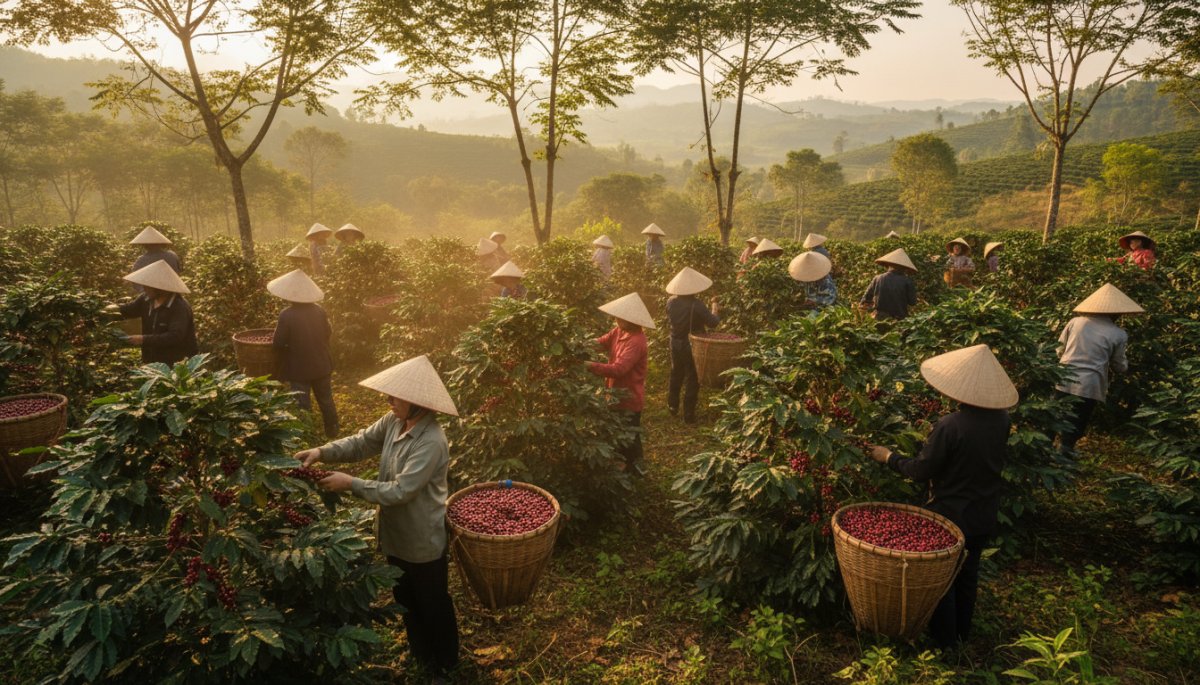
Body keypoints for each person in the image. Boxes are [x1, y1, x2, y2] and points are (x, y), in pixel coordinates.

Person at [295, 355, 460, 679]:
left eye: (395, 396)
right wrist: (322, 451)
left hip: (423, 540)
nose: (389, 401)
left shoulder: (432, 441)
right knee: (407, 600)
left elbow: (401, 491)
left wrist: (351, 483)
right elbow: (360, 442)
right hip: (396, 536)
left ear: (416, 402)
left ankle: (447, 662)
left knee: (433, 603)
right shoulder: (394, 422)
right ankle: (422, 655)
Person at [865, 344, 1018, 649]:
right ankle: (962, 635)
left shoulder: (951, 425)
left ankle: (944, 643)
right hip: (983, 511)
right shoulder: (1001, 420)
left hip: (952, 514)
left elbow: (922, 470)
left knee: (942, 580)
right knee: (968, 573)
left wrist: (888, 457)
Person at [1054, 283, 1142, 456]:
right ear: (1116, 313)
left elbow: (1059, 349)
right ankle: (1065, 450)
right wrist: (1125, 368)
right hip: (1090, 382)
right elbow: (1119, 364)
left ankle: (1042, 451)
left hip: (1064, 375)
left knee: (1054, 413)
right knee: (1078, 418)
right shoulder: (1118, 333)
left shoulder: (1075, 322)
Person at [588, 293, 654, 474]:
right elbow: (601, 342)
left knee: (630, 435)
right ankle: (626, 466)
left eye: (619, 316)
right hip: (615, 392)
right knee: (621, 432)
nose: (616, 319)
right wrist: (580, 345)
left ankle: (636, 469)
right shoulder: (619, 331)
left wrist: (590, 366)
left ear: (629, 319)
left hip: (629, 395)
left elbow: (619, 369)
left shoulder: (636, 341)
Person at [269, 269, 338, 439]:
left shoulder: (287, 314)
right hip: (321, 364)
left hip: (298, 368)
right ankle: (333, 430)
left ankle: (307, 435)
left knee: (302, 404)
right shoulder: (319, 311)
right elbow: (328, 332)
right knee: (326, 400)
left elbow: (277, 342)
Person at [115, 260, 199, 365]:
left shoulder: (179, 307)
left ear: (160, 288)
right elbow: (127, 311)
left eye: (148, 286)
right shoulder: (146, 299)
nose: (144, 289)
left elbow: (175, 336)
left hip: (178, 363)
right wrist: (104, 311)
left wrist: (143, 339)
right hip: (152, 359)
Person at [664, 267, 720, 423]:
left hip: (674, 341)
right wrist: (715, 307)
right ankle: (688, 415)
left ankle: (672, 405)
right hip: (692, 344)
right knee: (692, 377)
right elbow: (713, 323)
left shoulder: (671, 301)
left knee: (676, 372)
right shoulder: (697, 304)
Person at [860, 248, 918, 320]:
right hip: (900, 319)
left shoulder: (877, 278)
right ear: (904, 267)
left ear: (889, 265)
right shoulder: (907, 281)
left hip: (879, 319)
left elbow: (865, 300)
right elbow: (912, 302)